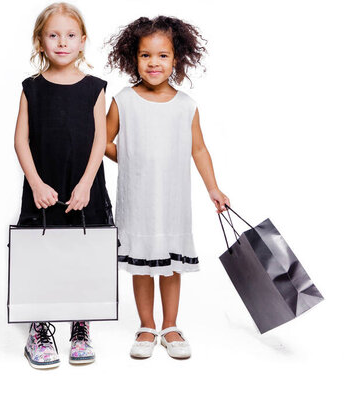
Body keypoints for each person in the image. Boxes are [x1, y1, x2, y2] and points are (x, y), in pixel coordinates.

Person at [105, 16, 230, 359]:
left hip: (173, 201)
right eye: (146, 56)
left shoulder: (186, 106)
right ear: (134, 58)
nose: (154, 63)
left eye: (162, 56)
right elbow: (102, 140)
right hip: (138, 200)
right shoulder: (124, 100)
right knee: (142, 265)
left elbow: (198, 149)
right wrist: (131, 158)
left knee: (172, 265)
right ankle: (147, 326)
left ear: (176, 59)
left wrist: (214, 189)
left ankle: (170, 325)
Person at [14, 2, 113, 369]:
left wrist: (87, 184)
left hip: (83, 186)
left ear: (83, 41)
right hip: (44, 186)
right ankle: (39, 327)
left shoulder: (95, 88)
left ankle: (80, 324)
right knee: (42, 252)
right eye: (53, 35)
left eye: (70, 35)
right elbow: (21, 141)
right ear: (40, 41)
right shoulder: (31, 88)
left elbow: (100, 140)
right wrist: (36, 182)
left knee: (83, 251)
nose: (62, 42)